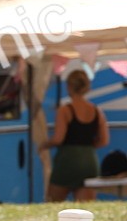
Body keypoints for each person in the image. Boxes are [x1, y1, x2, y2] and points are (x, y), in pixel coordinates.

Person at [41, 69, 109, 202]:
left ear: (69, 87)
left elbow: (58, 138)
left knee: (53, 205)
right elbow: (105, 140)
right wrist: (88, 147)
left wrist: (44, 144)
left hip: (68, 160)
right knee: (85, 210)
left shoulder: (65, 110)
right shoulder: (97, 111)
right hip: (89, 160)